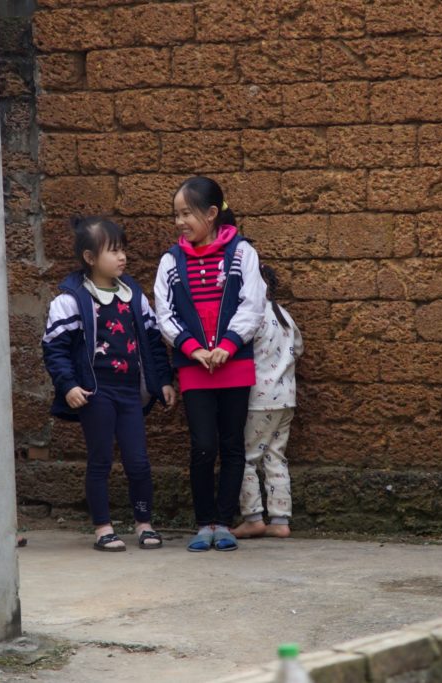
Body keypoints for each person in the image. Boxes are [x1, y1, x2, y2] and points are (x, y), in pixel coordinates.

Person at [42, 217, 175, 552]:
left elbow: (153, 341)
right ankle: (103, 528)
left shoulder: (134, 296)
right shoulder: (71, 299)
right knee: (100, 459)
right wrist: (68, 385)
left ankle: (144, 523)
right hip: (95, 392)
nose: (122, 257)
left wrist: (163, 382)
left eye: (123, 250)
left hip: (130, 391)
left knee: (138, 461)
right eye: (113, 251)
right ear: (89, 258)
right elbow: (54, 348)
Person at [154, 177, 267, 552]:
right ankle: (203, 523)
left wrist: (230, 345)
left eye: (187, 213)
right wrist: (193, 349)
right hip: (194, 367)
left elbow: (253, 304)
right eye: (176, 214)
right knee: (203, 445)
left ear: (212, 213)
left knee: (232, 444)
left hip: (234, 364)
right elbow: (164, 313)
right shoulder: (171, 260)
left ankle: (224, 522)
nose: (180, 221)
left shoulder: (241, 253)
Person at [232, 265, 303, 539]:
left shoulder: (251, 318)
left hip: (258, 399)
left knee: (247, 457)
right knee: (275, 456)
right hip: (286, 398)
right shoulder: (283, 315)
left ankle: (252, 518)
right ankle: (280, 519)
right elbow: (298, 348)